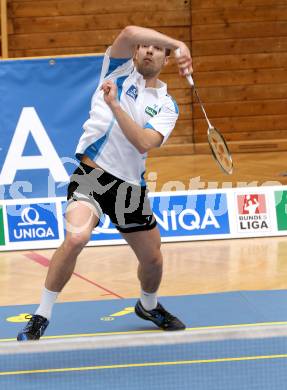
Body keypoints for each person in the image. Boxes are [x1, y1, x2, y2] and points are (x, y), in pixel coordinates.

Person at [17, 25, 193, 340]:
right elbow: (127, 31)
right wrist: (177, 42)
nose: (149, 50)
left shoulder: (167, 105)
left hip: (129, 188)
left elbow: (142, 142)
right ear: (136, 52)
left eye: (157, 49)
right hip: (92, 176)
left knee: (153, 257)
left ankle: (148, 305)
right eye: (144, 46)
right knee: (76, 237)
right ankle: (41, 315)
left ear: (166, 60)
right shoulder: (116, 69)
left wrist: (114, 106)